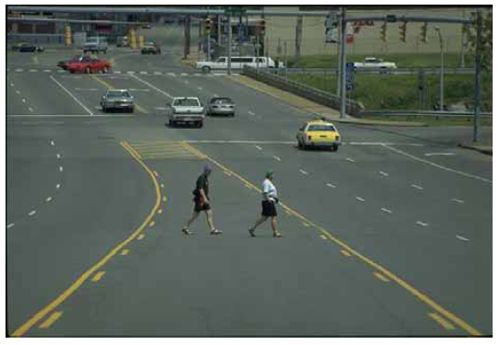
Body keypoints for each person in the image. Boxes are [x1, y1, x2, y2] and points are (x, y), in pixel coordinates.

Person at [182, 165, 222, 235]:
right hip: (201, 200)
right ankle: (185, 227)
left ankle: (212, 229)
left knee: (209, 213)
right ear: (205, 171)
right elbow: (200, 189)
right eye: (209, 171)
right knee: (195, 215)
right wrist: (205, 198)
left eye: (210, 171)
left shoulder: (205, 178)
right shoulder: (201, 178)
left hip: (204, 199)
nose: (210, 173)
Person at [248, 170, 282, 238]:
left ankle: (252, 228)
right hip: (268, 202)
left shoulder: (268, 182)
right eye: (272, 175)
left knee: (264, 217)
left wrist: (275, 198)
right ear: (269, 175)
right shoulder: (266, 182)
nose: (273, 176)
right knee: (273, 217)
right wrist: (269, 200)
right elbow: (265, 192)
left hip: (268, 201)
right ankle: (275, 232)